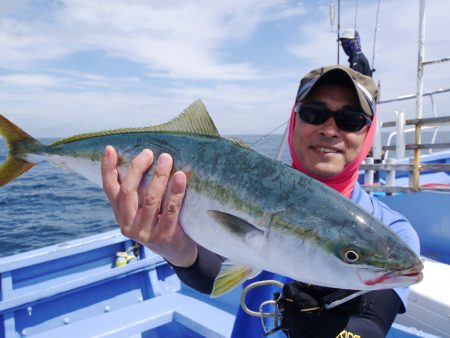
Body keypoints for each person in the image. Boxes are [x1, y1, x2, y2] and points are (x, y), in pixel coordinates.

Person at [101, 65, 420, 338]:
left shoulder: (390, 231)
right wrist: (173, 248)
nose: (330, 129)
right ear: (295, 120)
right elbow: (214, 275)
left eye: (350, 119)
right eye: (315, 113)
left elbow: (371, 320)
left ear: (369, 132)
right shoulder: (244, 185)